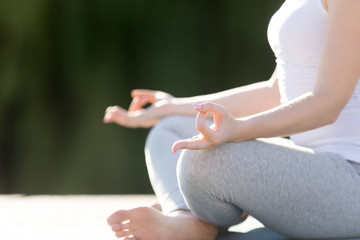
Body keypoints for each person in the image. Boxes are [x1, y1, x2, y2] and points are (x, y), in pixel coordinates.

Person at [104, 0, 360, 239]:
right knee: (169, 129)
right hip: (315, 164)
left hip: (351, 182)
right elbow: (277, 92)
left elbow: (329, 101)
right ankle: (188, 217)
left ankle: (191, 213)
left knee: (202, 160)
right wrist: (173, 106)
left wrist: (239, 129)